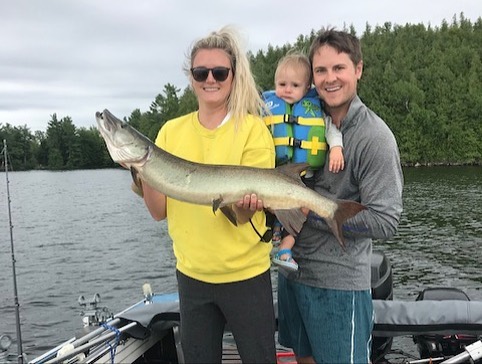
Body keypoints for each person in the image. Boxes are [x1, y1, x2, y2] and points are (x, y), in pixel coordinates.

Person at [140, 26, 277, 363]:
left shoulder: (253, 130)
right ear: (191, 77)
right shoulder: (170, 132)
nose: (210, 79)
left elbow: (244, 217)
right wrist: (141, 168)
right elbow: (158, 211)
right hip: (192, 278)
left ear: (233, 76)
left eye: (220, 72)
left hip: (246, 277)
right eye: (201, 72)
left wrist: (246, 205)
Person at [277, 28, 404, 363]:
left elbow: (386, 220)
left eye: (339, 68)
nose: (329, 79)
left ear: (358, 70)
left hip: (339, 287)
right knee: (301, 358)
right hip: (292, 274)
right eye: (321, 71)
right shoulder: (300, 115)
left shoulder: (375, 138)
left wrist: (308, 210)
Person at [263, 53, 344, 271]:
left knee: (303, 208)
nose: (287, 90)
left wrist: (336, 148)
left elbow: (332, 130)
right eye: (281, 84)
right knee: (271, 209)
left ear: (307, 86)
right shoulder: (268, 107)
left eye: (294, 85)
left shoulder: (314, 108)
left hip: (304, 178)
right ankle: (274, 240)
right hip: (276, 176)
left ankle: (285, 249)